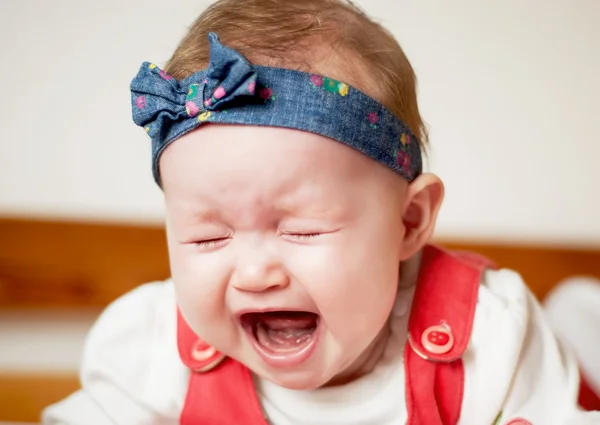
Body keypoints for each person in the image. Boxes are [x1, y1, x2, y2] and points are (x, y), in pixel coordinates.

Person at [42, 0, 600, 423]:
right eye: (208, 237)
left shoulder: (491, 335)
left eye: (303, 230)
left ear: (408, 222)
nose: (256, 273)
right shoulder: (150, 346)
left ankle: (579, 315)